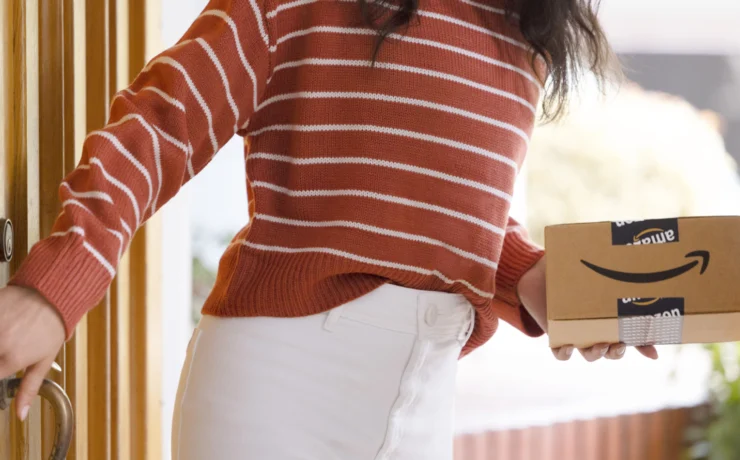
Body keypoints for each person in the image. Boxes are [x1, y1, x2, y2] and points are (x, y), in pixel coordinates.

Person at [0, 0, 658, 458]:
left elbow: (435, 201)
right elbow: (160, 126)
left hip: (421, 406)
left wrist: (527, 277)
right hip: (276, 393)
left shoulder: (527, 34)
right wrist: (57, 286)